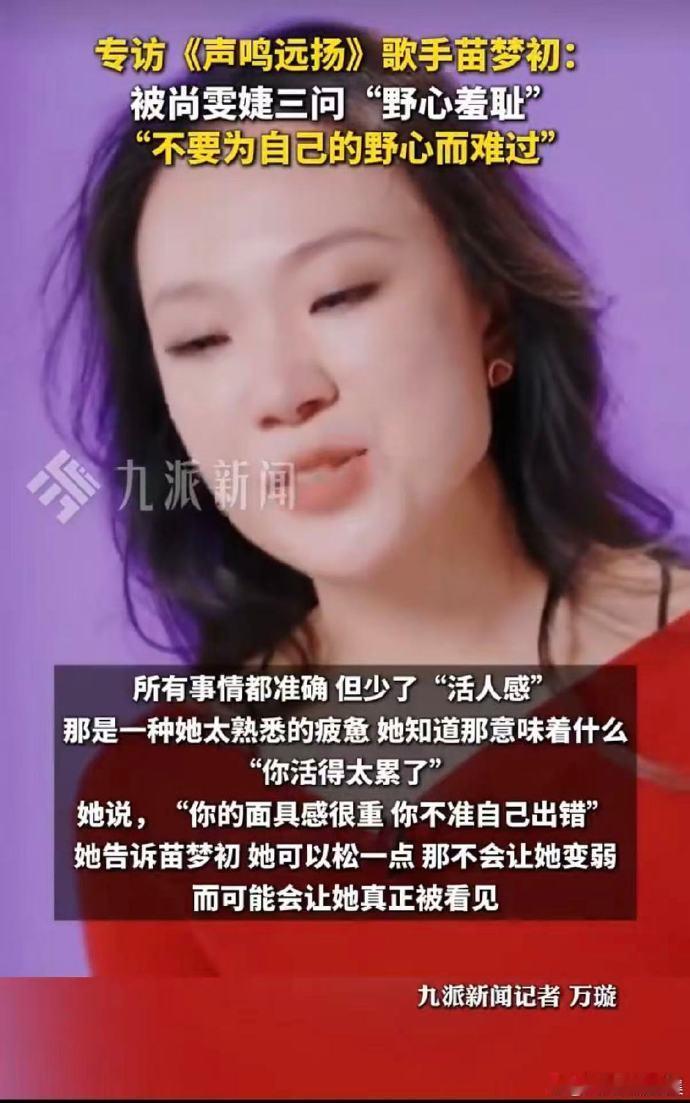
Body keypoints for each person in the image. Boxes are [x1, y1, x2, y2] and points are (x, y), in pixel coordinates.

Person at [47, 19, 690, 1099]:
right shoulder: (159, 803)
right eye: (202, 340)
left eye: (340, 293)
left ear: (490, 307)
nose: (282, 390)